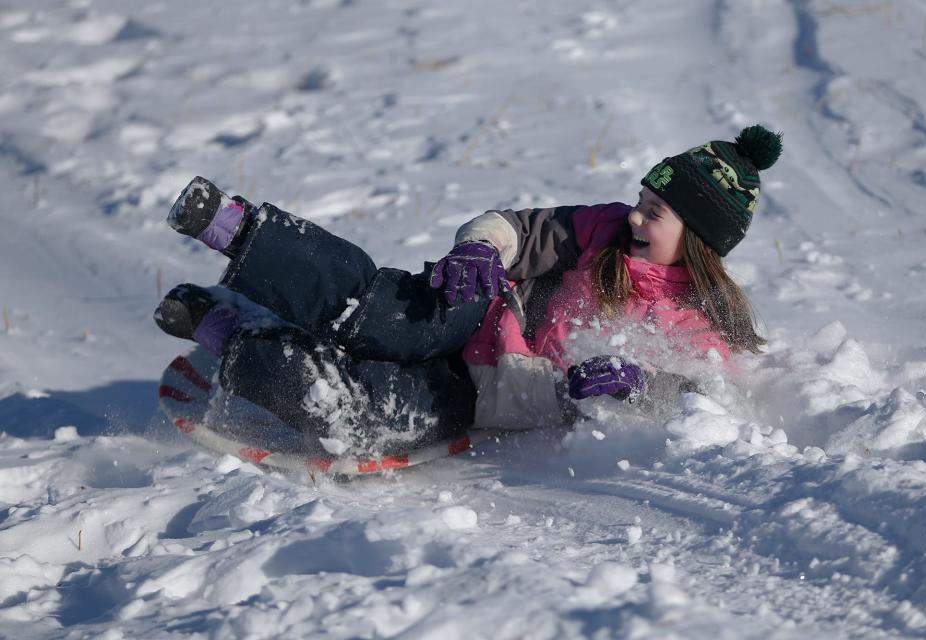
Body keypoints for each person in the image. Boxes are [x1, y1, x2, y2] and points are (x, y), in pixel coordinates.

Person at [155, 125, 782, 454]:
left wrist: (641, 385)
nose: (638, 218)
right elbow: (517, 228)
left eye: (657, 212)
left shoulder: (696, 320)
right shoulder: (602, 231)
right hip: (472, 311)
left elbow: (706, 396)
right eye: (643, 200)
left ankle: (233, 338)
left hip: (487, 397)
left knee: (367, 413)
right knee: (382, 314)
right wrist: (480, 249)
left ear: (700, 240)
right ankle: (238, 231)